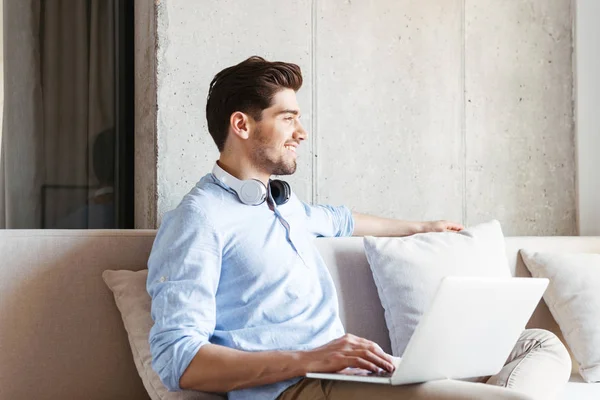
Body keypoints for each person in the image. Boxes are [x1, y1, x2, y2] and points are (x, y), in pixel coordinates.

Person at [147, 56, 571, 400]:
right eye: (288, 117)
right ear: (242, 125)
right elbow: (177, 360)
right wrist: (309, 359)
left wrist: (422, 226)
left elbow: (341, 219)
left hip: (355, 374)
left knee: (541, 344)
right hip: (294, 387)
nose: (302, 131)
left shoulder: (284, 205)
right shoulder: (198, 220)